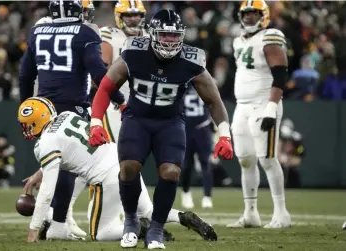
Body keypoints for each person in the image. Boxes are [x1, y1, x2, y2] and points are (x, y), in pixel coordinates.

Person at [88, 9, 233, 249]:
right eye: (165, 35)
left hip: (170, 122)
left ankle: (155, 228)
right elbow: (105, 87)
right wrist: (95, 121)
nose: (170, 40)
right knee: (128, 168)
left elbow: (214, 100)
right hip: (137, 118)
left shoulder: (191, 60)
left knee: (171, 172)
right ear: (153, 34)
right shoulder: (134, 53)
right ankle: (132, 222)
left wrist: (224, 135)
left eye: (174, 36)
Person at [18, 97, 217, 243]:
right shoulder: (67, 115)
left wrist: (33, 229)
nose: (25, 128)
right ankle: (184, 217)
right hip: (123, 161)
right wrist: (40, 173)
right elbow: (71, 150)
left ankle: (141, 229)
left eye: (27, 124)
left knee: (101, 234)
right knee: (147, 211)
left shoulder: (45, 143)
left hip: (107, 177)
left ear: (36, 121)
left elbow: (46, 193)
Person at [18, 0, 126, 240]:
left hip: (43, 107)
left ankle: (57, 219)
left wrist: (26, 105)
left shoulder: (38, 31)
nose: (86, 15)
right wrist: (119, 98)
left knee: (58, 162)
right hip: (72, 105)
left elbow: (25, 74)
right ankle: (57, 222)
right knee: (69, 164)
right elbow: (100, 73)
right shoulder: (85, 31)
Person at [227, 0, 291, 229]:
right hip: (242, 106)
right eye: (246, 14)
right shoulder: (237, 40)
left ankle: (281, 213)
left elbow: (281, 73)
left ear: (263, 16)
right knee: (245, 160)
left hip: (263, 103)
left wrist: (272, 106)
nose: (249, 18)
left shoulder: (270, 36)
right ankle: (250, 213)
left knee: (267, 158)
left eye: (254, 14)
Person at [98, 0, 147, 142]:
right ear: (119, 16)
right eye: (128, 15)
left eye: (137, 15)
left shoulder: (150, 37)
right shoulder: (109, 35)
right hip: (115, 105)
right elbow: (102, 72)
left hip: (143, 106)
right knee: (114, 151)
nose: (133, 19)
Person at [180, 86, 214, 209]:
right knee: (186, 165)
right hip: (185, 130)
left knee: (206, 163)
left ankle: (207, 196)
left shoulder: (205, 82)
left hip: (202, 128)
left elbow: (213, 103)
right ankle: (186, 192)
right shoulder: (183, 83)